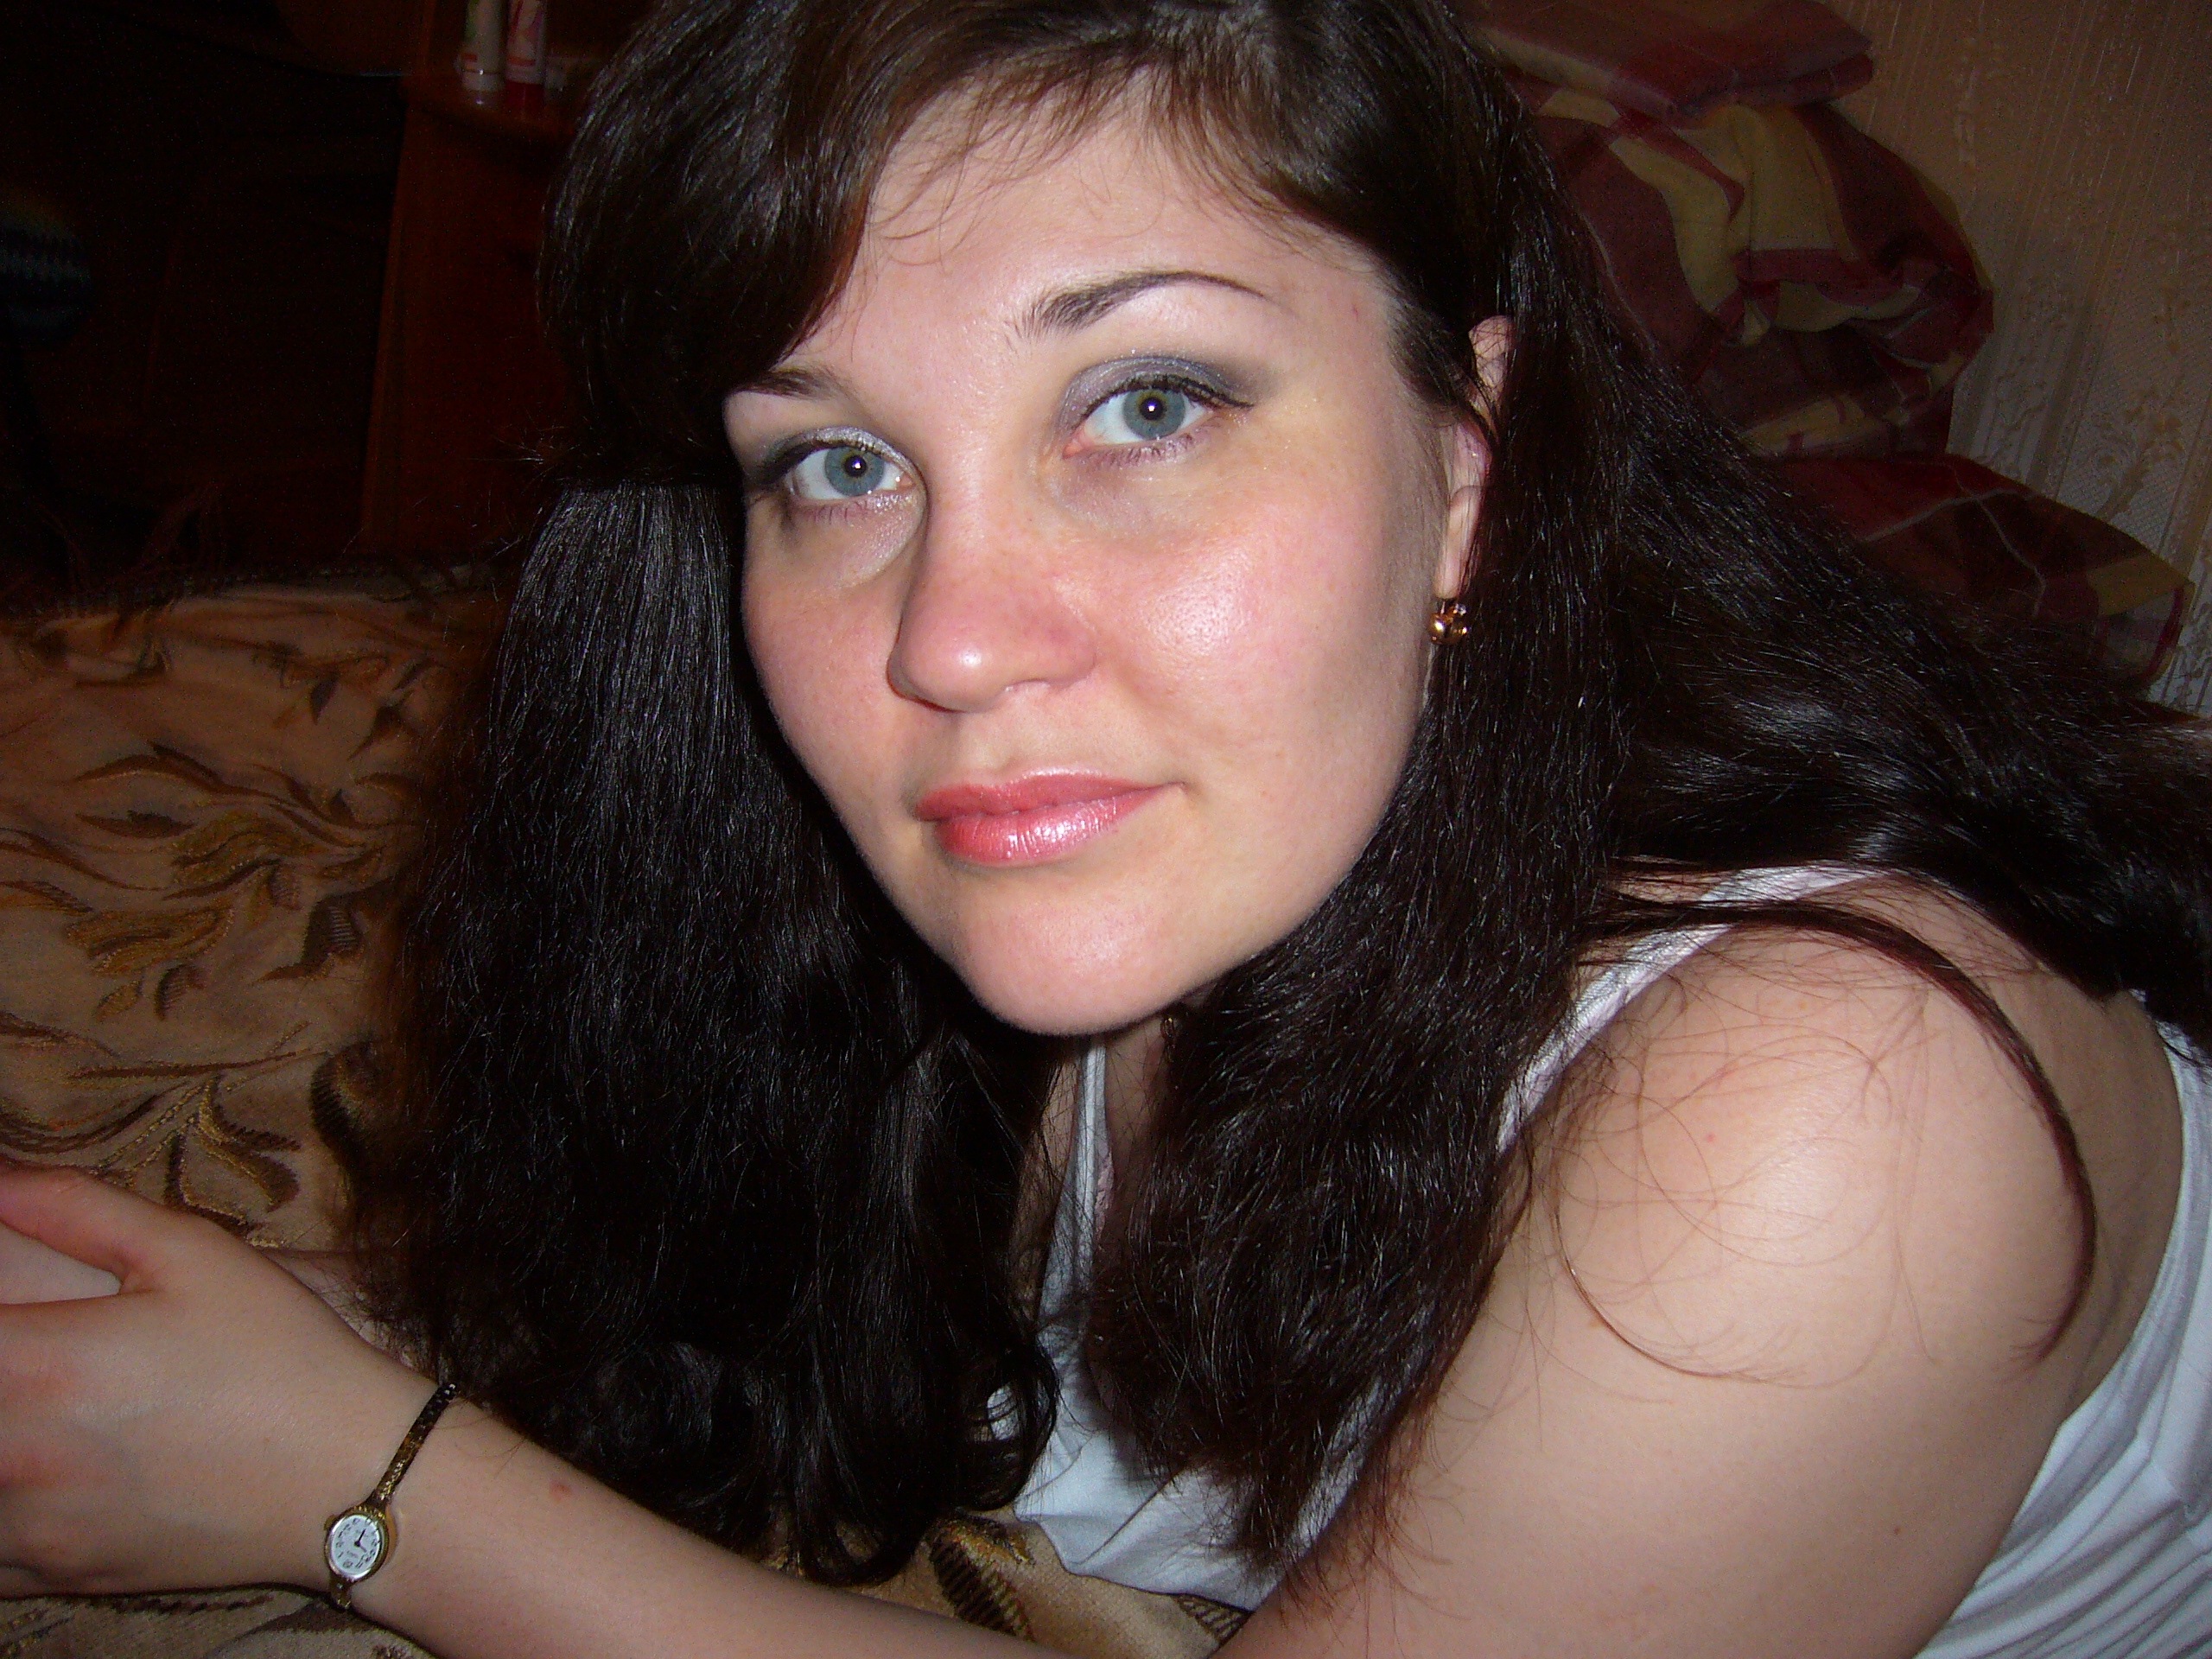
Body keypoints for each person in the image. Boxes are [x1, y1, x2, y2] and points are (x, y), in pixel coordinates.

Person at [0, 1, 2204, 1654]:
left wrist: (363, 1492)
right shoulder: (1045, 868)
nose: (950, 639)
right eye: (838, 465)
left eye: (1145, 405)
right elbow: (743, 1326)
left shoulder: (1838, 1099)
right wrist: (220, 1347)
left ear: (1464, 458)